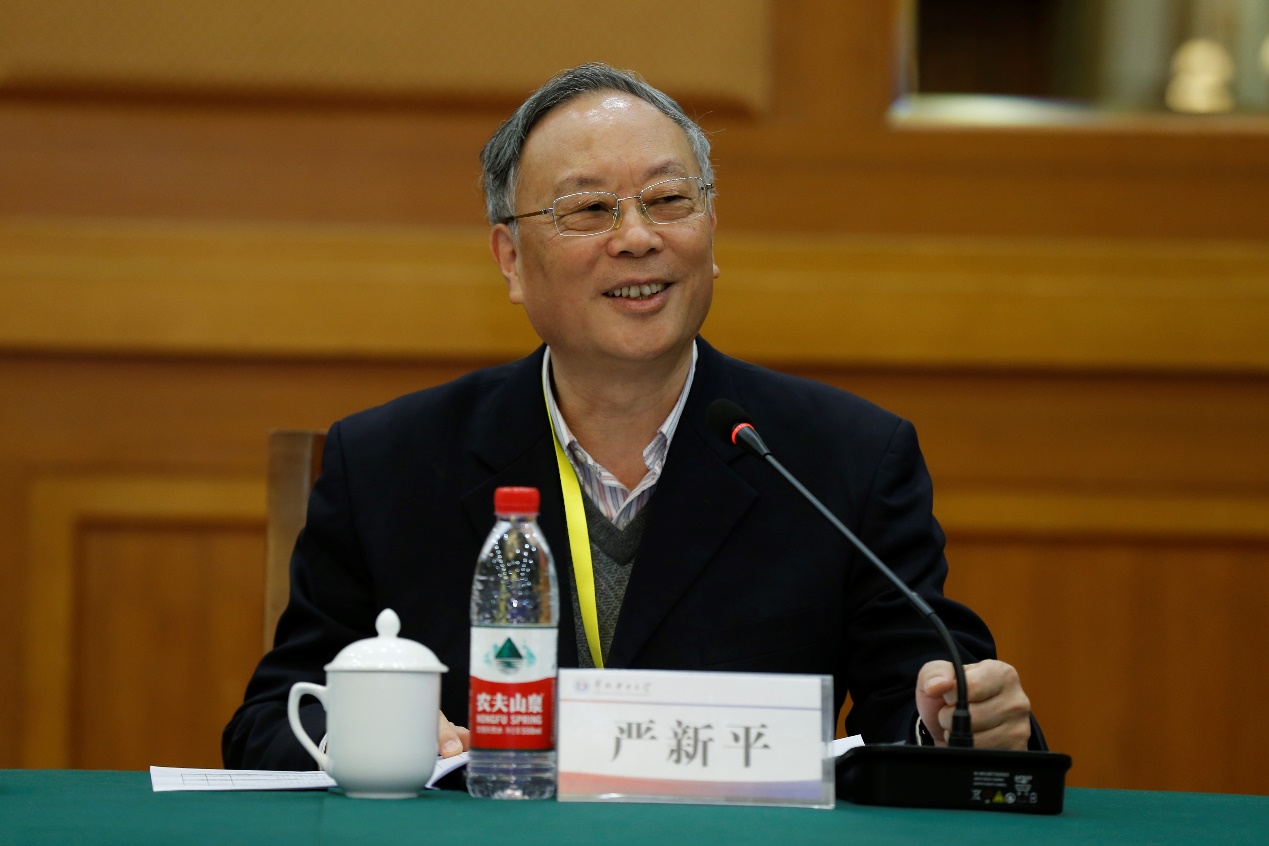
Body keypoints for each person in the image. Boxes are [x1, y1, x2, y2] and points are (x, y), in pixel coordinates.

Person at [223, 63, 1039, 773]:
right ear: (511, 260)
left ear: (710, 230)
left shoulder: (843, 459)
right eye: (588, 210)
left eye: (668, 199)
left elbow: (928, 707)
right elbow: (272, 721)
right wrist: (375, 731)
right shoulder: (390, 463)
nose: (638, 238)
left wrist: (958, 724)